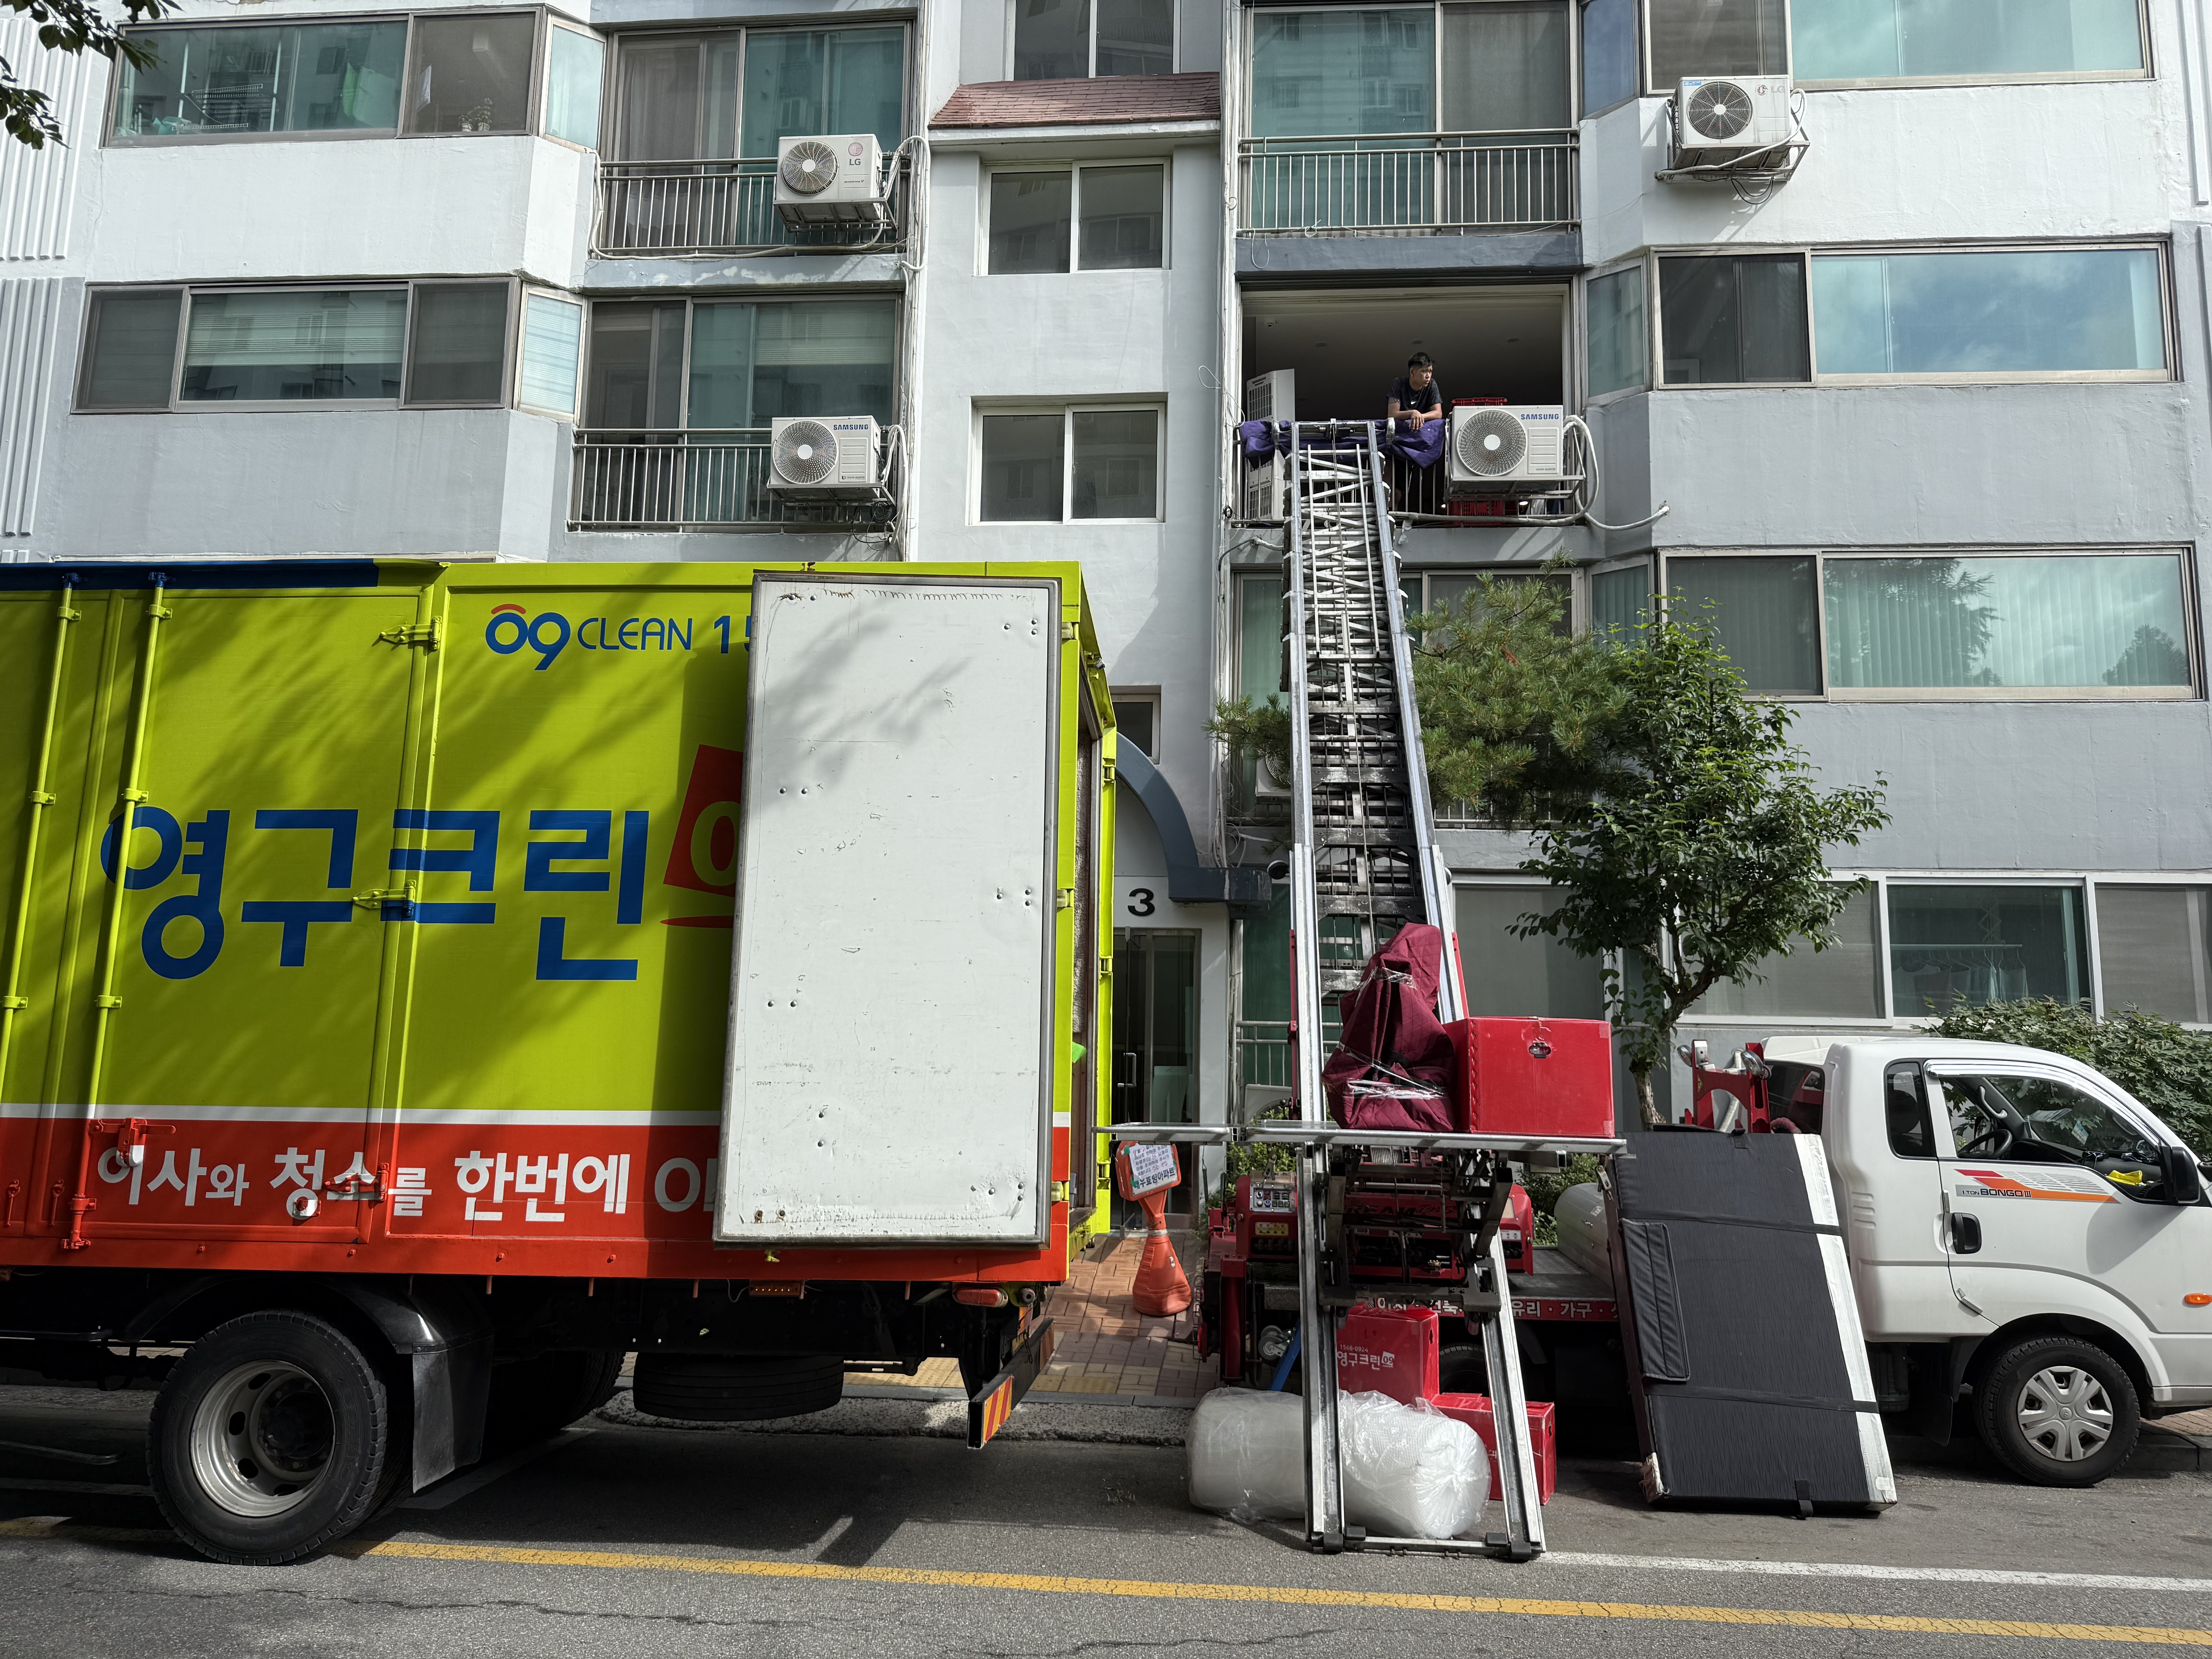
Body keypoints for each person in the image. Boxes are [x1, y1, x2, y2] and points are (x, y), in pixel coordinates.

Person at [1388, 352, 1444, 436]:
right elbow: (1392, 414)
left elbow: (1438, 413)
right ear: (1412, 372)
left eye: (1430, 371)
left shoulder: (1432, 385)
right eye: (1424, 371)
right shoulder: (1398, 384)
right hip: (1401, 434)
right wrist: (1412, 413)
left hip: (1423, 434)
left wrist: (1419, 416)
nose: (1428, 376)